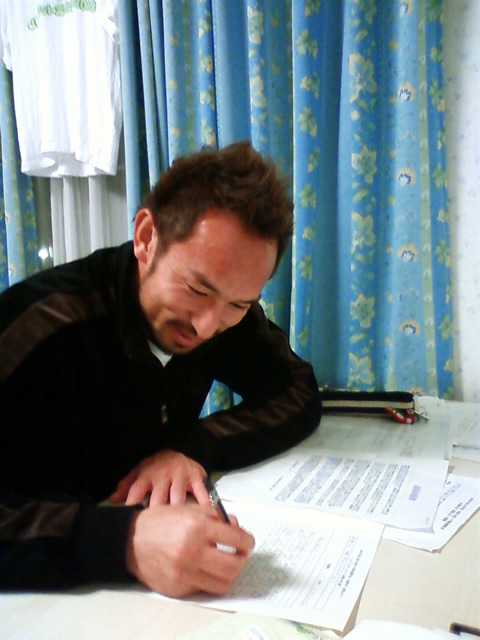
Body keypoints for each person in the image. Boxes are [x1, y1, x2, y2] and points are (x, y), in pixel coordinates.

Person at [0, 141, 322, 596]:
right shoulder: (36, 325)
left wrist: (193, 446)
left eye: (239, 303)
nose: (207, 326)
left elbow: (298, 390)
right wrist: (123, 541)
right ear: (146, 238)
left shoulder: (223, 316)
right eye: (196, 289)